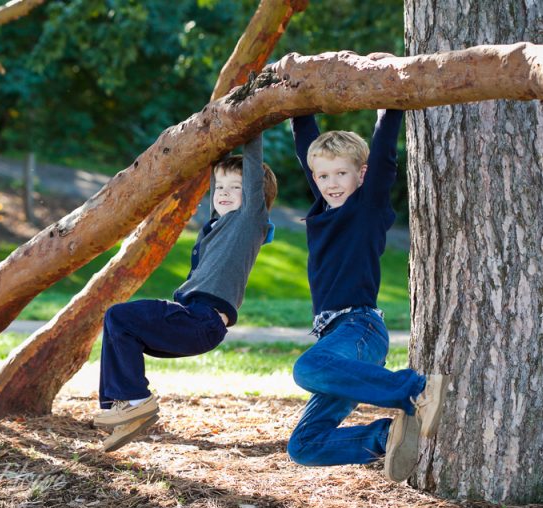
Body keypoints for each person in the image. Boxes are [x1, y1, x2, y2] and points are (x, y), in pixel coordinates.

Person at [286, 109, 449, 482]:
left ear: (361, 175)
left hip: (359, 327)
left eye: (341, 173)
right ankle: (383, 435)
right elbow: (306, 147)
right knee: (304, 446)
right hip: (340, 345)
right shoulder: (325, 208)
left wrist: (388, 109)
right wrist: (299, 108)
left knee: (307, 368)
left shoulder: (367, 206)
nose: (331, 183)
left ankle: (415, 390)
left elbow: (384, 158)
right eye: (323, 176)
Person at [93, 134, 277, 452]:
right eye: (220, 188)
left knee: (119, 316)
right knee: (118, 326)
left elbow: (252, 168)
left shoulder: (249, 221)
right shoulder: (216, 227)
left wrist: (254, 126)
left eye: (237, 188)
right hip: (191, 318)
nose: (225, 194)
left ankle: (136, 400)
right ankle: (119, 409)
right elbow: (214, 172)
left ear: (254, 196)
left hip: (202, 320)